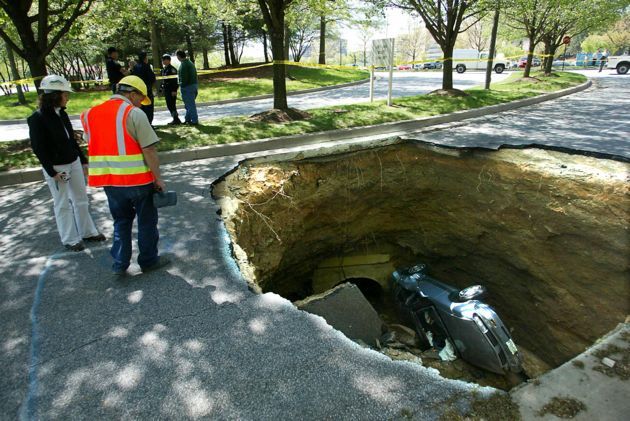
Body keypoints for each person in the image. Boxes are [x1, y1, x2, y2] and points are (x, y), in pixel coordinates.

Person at [80, 75, 170, 275]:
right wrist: (158, 178)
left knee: (121, 220)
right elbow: (149, 150)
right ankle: (148, 261)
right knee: (146, 221)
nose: (141, 103)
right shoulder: (134, 114)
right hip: (137, 181)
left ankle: (120, 263)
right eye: (141, 98)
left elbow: (94, 142)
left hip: (110, 182)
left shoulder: (89, 114)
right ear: (132, 93)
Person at [28, 75, 105, 251]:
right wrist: (51, 171)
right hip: (57, 168)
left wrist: (83, 160)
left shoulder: (62, 113)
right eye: (65, 94)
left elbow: (71, 139)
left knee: (81, 199)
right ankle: (70, 238)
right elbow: (39, 148)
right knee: (62, 203)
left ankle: (88, 232)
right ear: (55, 95)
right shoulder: (37, 119)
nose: (68, 97)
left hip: (73, 162)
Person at [131, 52, 156, 123]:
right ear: (145, 58)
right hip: (146, 90)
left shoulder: (135, 67)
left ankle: (141, 122)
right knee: (148, 107)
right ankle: (149, 123)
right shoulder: (146, 66)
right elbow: (152, 78)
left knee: (140, 107)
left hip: (137, 90)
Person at [176, 50, 198, 125]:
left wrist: (180, 84)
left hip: (187, 87)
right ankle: (187, 119)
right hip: (194, 85)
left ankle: (194, 121)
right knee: (189, 105)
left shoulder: (184, 65)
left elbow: (184, 78)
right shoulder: (190, 63)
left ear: (179, 56)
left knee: (190, 105)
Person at [161, 54, 181, 125]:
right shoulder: (164, 69)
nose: (163, 61)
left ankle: (176, 119)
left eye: (164, 60)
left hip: (171, 90)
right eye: (162, 60)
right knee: (169, 105)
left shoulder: (172, 69)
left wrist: (174, 90)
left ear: (168, 60)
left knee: (172, 105)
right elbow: (163, 80)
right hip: (167, 90)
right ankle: (175, 118)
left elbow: (174, 81)